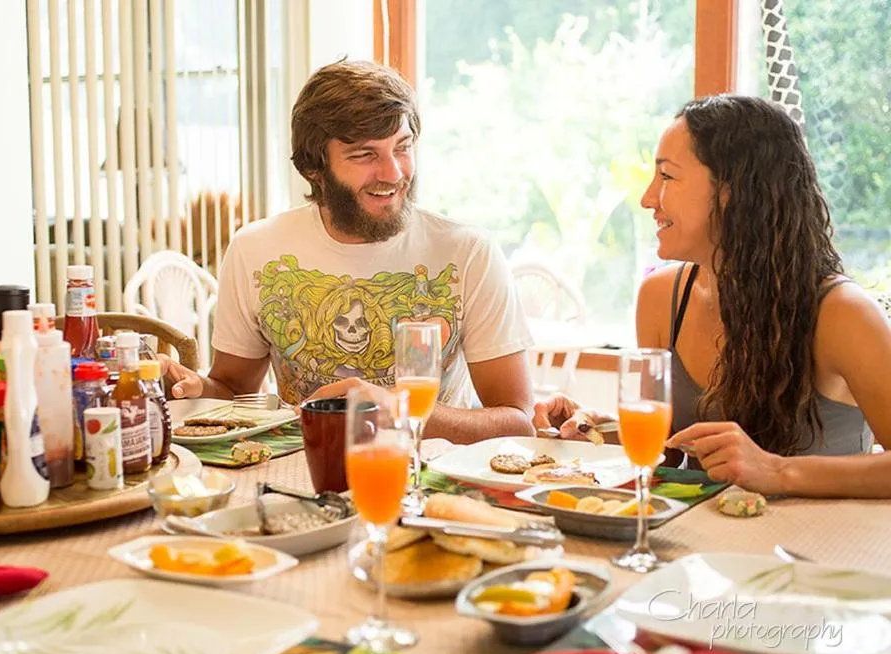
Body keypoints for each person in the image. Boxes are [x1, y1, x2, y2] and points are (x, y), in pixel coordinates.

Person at [533, 95, 891, 498]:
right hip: (702, 548)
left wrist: (778, 472)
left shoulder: (843, 313)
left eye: (667, 177)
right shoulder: (661, 297)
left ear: (732, 191)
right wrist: (603, 431)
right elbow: (668, 454)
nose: (648, 198)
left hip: (821, 552)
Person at [161, 59, 535, 443]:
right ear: (313, 167)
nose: (393, 173)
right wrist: (192, 387)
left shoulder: (468, 253)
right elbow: (232, 390)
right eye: (364, 155)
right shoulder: (255, 249)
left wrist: (393, 410)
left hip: (424, 483)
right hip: (299, 475)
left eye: (402, 147)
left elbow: (517, 423)